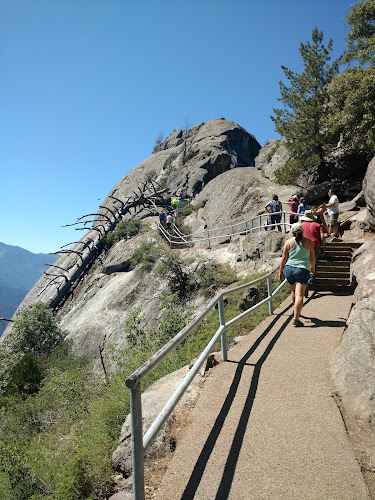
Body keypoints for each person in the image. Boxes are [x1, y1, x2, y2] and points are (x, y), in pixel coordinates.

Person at [279, 222, 316, 327]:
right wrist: (312, 268)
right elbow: (312, 257)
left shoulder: (288, 242)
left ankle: (296, 311)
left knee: (294, 291)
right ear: (302, 231)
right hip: (302, 269)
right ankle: (296, 318)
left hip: (289, 269)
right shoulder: (308, 242)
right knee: (300, 294)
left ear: (292, 232)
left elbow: (284, 258)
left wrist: (280, 271)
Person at [300, 210, 325, 285]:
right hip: (315, 245)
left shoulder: (301, 225)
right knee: (313, 262)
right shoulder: (318, 225)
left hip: (303, 245)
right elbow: (322, 236)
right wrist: (323, 247)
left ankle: (304, 278)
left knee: (304, 261)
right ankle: (311, 278)